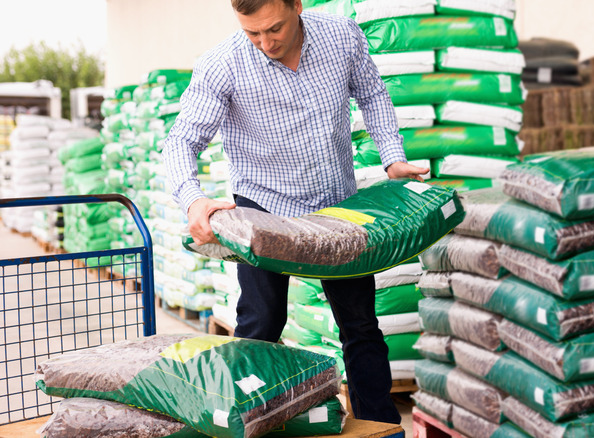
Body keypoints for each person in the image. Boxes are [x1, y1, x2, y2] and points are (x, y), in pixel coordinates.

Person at [163, 0, 428, 424]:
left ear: (297, 5)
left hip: (337, 206)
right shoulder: (223, 64)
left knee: (360, 325)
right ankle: (245, 424)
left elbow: (373, 94)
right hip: (263, 207)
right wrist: (193, 198)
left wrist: (392, 157)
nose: (265, 43)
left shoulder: (342, 37)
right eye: (253, 33)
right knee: (263, 323)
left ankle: (379, 427)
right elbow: (181, 140)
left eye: (275, 28)